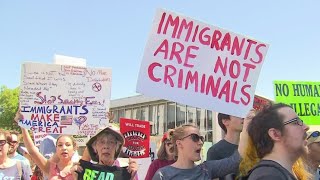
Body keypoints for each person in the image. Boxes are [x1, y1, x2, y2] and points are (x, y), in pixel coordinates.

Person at [152, 110, 253, 180]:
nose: (200, 142)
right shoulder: (163, 175)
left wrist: (247, 123)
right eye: (195, 138)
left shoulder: (207, 169)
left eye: (201, 138)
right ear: (179, 143)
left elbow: (236, 160)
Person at [244, 103, 311, 180]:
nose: (306, 127)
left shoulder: (273, 174)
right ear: (275, 134)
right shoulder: (268, 177)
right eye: (296, 122)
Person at [15, 111, 76, 180]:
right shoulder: (49, 168)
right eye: (60, 145)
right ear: (56, 149)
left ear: (74, 148)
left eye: (68, 145)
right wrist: (23, 125)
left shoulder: (81, 166)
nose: (64, 148)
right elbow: (32, 151)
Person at [72, 124, 138, 179]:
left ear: (117, 147)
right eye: (102, 142)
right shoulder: (84, 170)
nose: (106, 146)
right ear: (95, 147)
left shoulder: (126, 172)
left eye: (111, 142)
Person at [207, 113, 243, 180]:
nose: (243, 118)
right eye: (238, 115)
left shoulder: (249, 147)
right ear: (225, 121)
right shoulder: (215, 150)